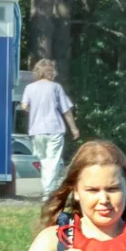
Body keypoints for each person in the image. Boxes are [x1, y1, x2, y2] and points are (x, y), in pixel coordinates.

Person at [20, 58, 80, 199]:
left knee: (44, 161)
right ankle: (49, 192)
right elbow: (66, 110)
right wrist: (74, 128)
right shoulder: (55, 87)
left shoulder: (30, 88)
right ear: (51, 72)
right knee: (52, 161)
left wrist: (34, 111)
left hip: (36, 129)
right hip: (54, 128)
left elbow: (24, 105)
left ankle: (48, 190)